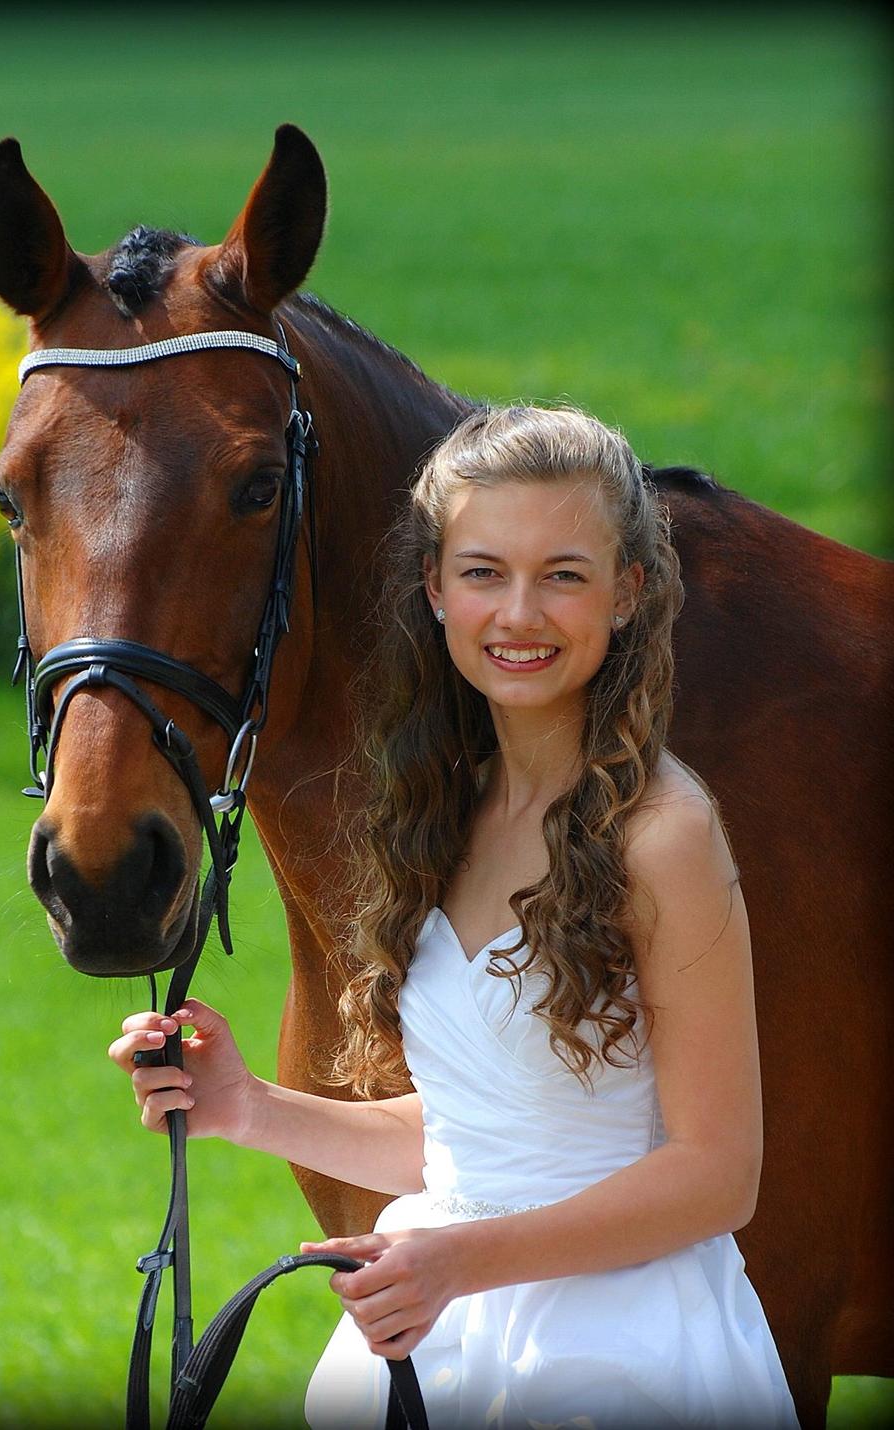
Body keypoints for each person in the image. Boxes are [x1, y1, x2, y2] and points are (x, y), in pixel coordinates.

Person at [108, 405, 799, 1429]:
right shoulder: (449, 811)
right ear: (435, 587)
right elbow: (497, 1135)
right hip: (450, 1327)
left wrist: (458, 1262)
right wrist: (248, 1106)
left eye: (564, 573)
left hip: (620, 1350)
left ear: (630, 590)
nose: (519, 612)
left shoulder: (663, 833)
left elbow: (716, 1175)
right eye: (484, 571)